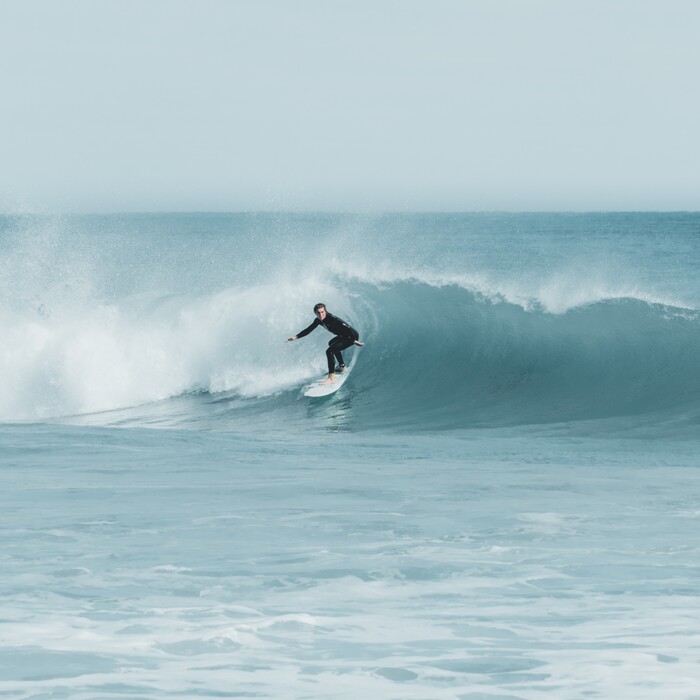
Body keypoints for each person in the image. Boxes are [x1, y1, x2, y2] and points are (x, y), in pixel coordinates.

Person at [287, 303, 364, 384]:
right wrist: (296, 337)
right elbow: (308, 330)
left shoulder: (332, 318)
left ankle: (331, 378)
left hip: (351, 336)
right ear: (315, 313)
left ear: (325, 311)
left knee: (329, 351)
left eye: (322, 312)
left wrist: (353, 340)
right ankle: (342, 366)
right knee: (331, 343)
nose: (321, 314)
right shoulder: (318, 320)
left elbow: (347, 328)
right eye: (318, 313)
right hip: (343, 335)